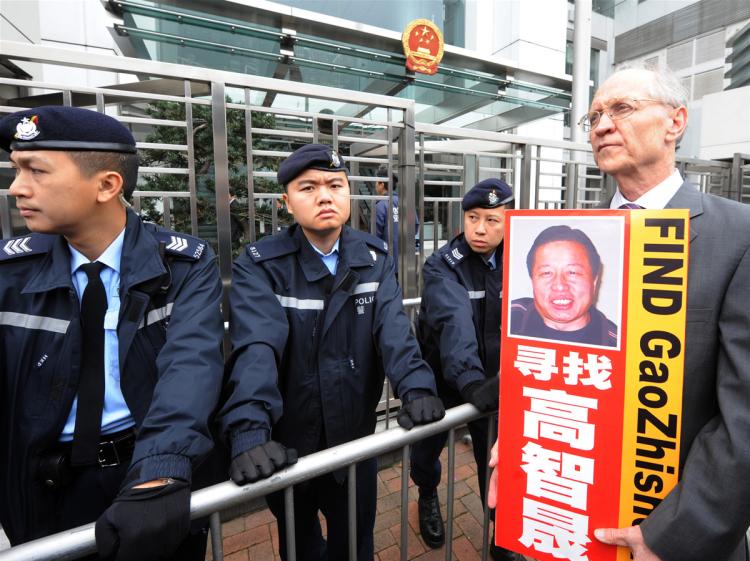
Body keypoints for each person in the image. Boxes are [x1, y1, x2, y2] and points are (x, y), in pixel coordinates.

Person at [0, 106, 224, 560]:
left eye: (36, 171)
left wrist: (160, 471)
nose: (17, 187)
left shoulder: (183, 265)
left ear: (107, 185)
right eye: (16, 169)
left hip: (147, 473)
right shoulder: (9, 273)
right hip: (42, 487)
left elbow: (190, 365)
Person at [219, 144, 445, 561]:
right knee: (298, 545)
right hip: (288, 446)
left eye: (335, 185)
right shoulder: (261, 265)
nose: (325, 195)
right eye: (308, 187)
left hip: (354, 443)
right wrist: (249, 429)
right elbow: (256, 348)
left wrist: (417, 387)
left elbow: (395, 332)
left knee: (355, 546)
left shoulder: (374, 259)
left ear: (348, 194)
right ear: (286, 203)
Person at [586, 65, 750, 560]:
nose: (601, 126)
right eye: (593, 116)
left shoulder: (739, 234)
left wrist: (676, 533)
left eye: (622, 109)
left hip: (678, 531)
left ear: (675, 122)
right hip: (582, 510)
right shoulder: (572, 231)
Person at [409, 178, 520, 560]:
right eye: (473, 217)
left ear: (510, 221)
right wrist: (470, 379)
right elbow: (454, 320)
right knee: (425, 453)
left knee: (496, 461)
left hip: (492, 384)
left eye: (492, 219)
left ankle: (502, 537)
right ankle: (426, 493)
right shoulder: (443, 265)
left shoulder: (521, 259)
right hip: (445, 380)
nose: (480, 228)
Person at [510, 225, 617, 347]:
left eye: (572, 272)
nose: (560, 285)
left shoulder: (618, 343)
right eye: (547, 273)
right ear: (532, 280)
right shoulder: (510, 316)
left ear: (594, 280)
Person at [374, 164, 419, 276]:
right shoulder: (405, 203)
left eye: (376, 182)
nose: (375, 185)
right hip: (407, 260)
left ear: (382, 184)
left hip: (387, 263)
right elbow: (415, 226)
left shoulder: (380, 206)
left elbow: (375, 237)